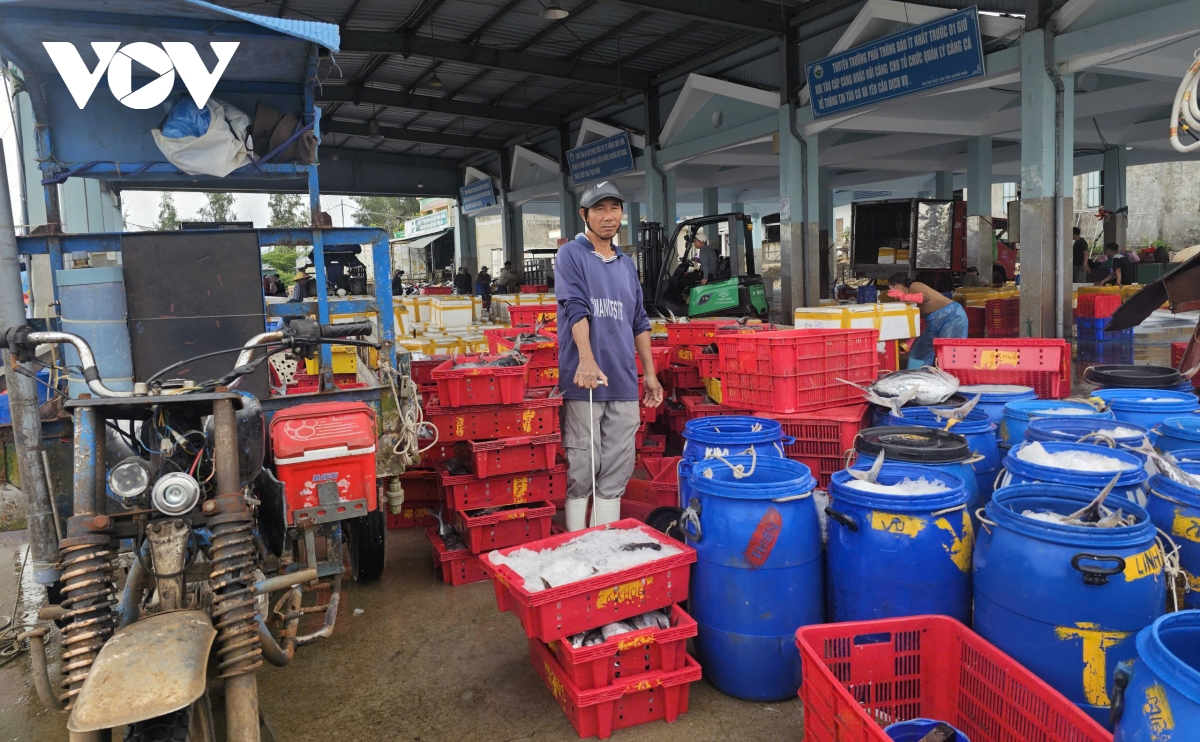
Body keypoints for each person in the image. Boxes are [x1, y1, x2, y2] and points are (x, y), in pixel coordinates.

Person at [556, 181, 664, 531]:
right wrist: (586, 360)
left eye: (614, 208)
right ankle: (577, 541)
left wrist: (649, 374)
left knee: (618, 464)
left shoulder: (626, 264)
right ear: (584, 215)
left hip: (622, 380)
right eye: (599, 209)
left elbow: (639, 321)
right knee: (582, 465)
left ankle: (603, 543)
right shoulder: (571, 255)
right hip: (584, 381)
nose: (608, 216)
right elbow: (574, 307)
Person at [888, 273, 969, 369]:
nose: (893, 295)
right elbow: (917, 323)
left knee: (949, 351)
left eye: (891, 289)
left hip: (953, 316)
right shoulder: (908, 303)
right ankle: (917, 375)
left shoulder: (915, 286)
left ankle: (953, 375)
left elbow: (925, 297)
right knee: (920, 351)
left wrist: (904, 296)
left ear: (897, 285)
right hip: (934, 323)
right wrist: (908, 344)